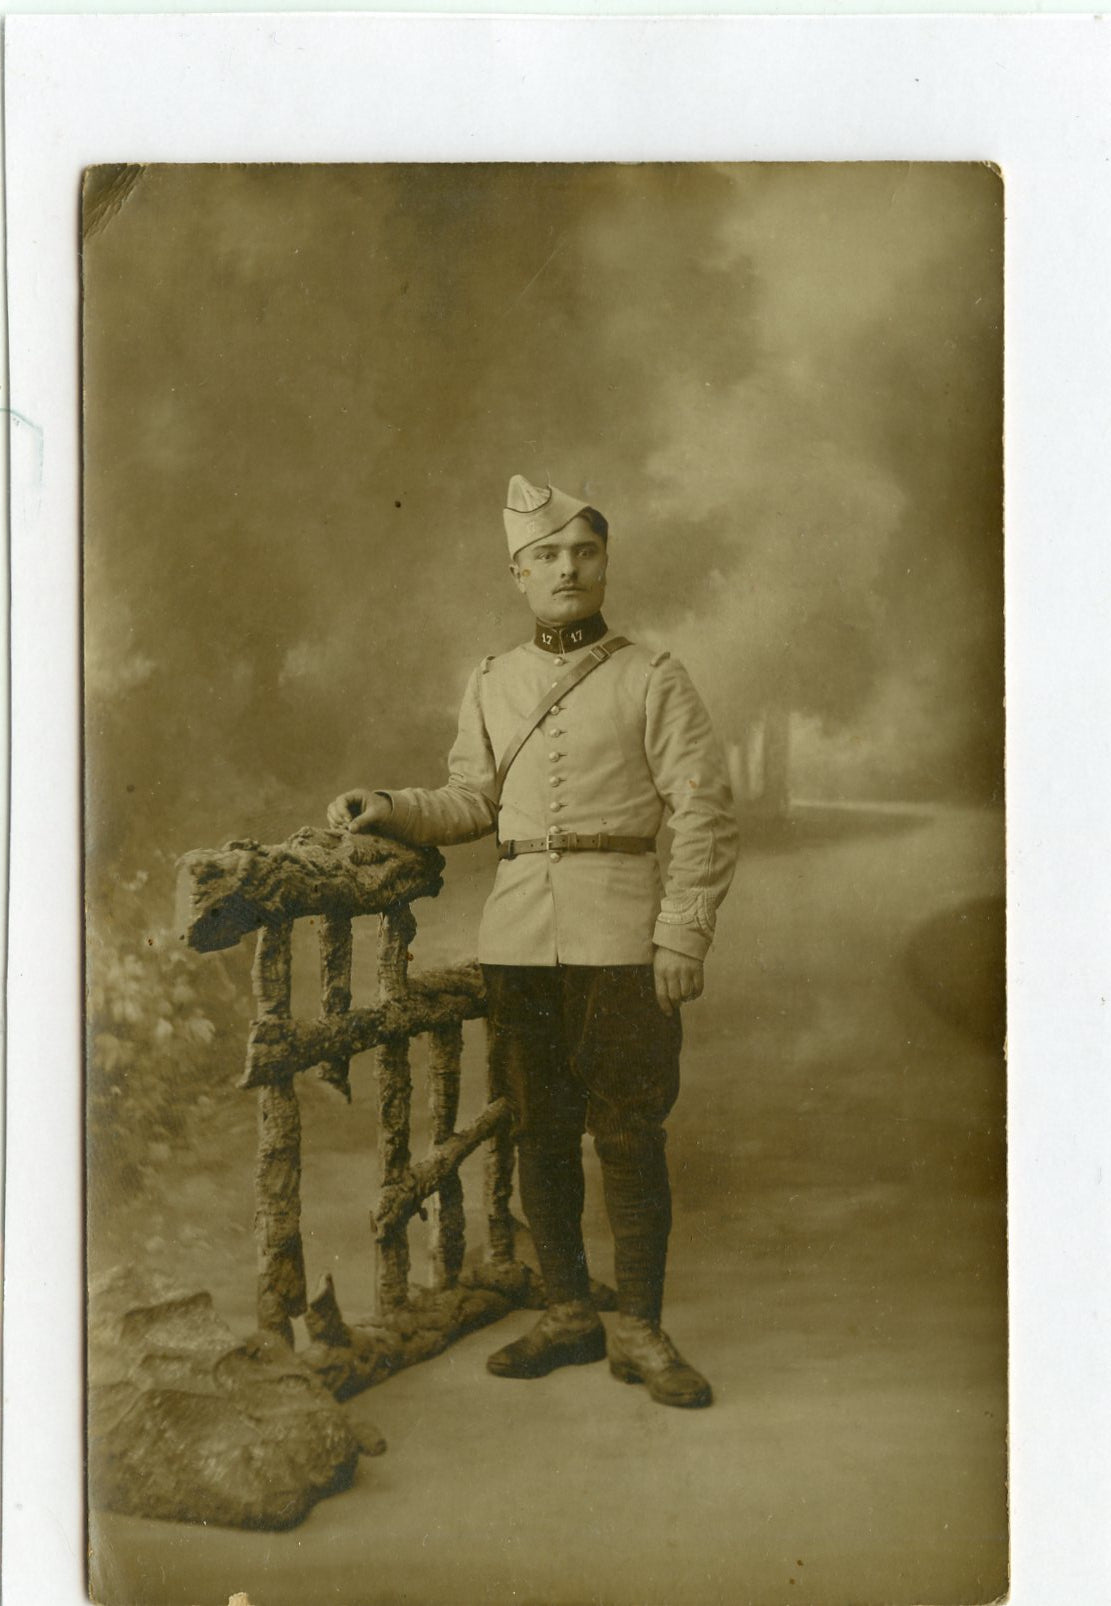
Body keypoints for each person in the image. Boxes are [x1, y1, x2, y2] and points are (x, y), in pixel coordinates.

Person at [327, 475, 738, 1408]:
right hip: (519, 939)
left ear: (604, 566)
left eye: (584, 553)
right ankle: (567, 1312)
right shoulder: (491, 679)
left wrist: (681, 930)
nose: (568, 568)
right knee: (538, 1127)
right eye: (547, 556)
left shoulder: (651, 675)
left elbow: (705, 812)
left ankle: (638, 1328)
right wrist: (388, 809)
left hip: (622, 936)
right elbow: (472, 800)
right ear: (518, 574)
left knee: (629, 1130)